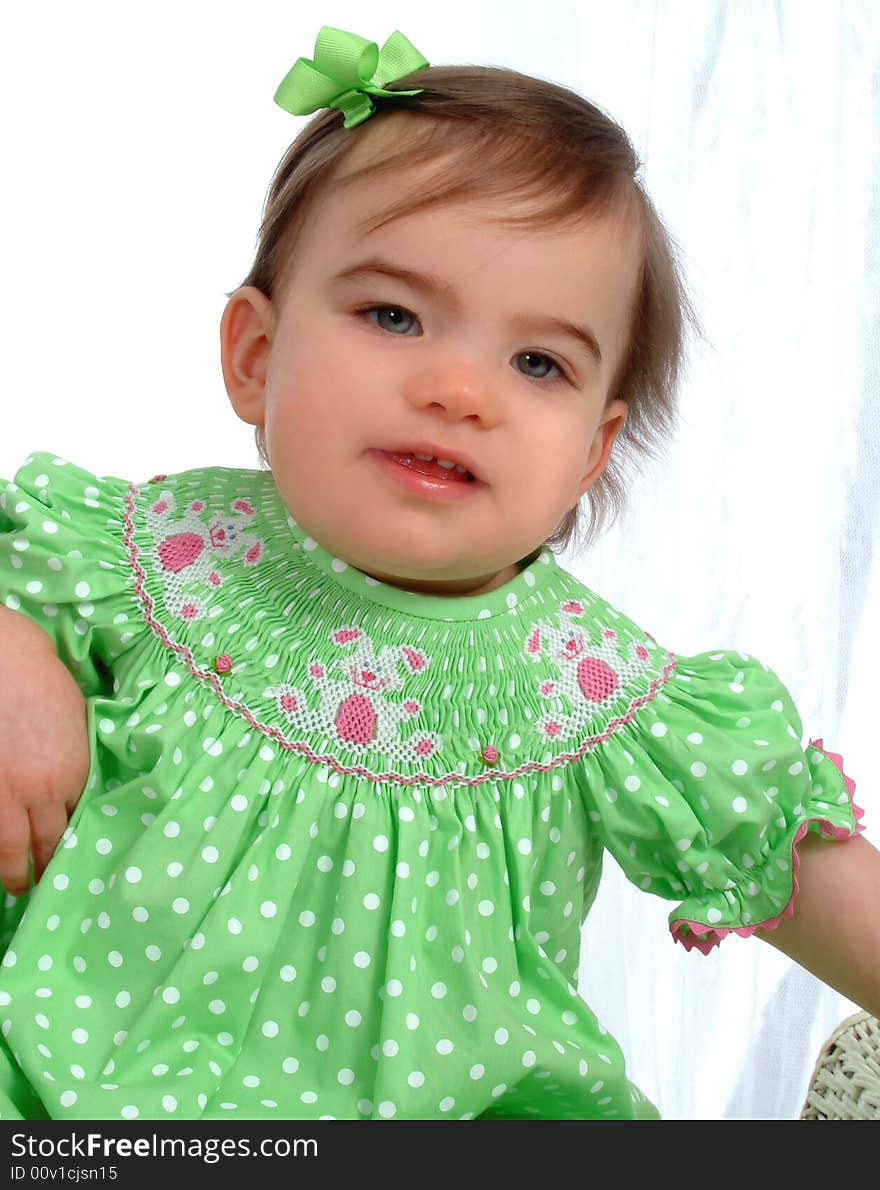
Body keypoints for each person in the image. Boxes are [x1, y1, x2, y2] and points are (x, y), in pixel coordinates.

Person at [0, 24, 877, 1122]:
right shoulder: (144, 558)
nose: (462, 388)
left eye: (537, 362)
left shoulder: (593, 690)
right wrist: (13, 652)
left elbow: (793, 858)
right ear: (254, 357)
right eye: (393, 315)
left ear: (590, 452)